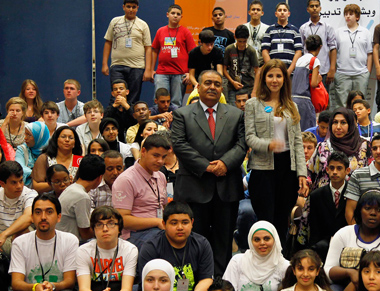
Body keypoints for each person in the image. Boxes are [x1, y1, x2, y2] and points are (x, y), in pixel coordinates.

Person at [172, 70, 246, 275]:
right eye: (207, 83)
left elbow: (241, 145)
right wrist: (206, 166)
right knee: (194, 239)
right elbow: (178, 144)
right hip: (194, 188)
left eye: (217, 84)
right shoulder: (182, 114)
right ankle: (196, 282)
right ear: (198, 86)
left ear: (222, 88)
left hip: (226, 188)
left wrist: (224, 163)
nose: (212, 87)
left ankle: (221, 283)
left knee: (224, 240)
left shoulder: (236, 114)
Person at [245, 59, 308, 244]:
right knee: (265, 220)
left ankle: (280, 261)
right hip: (262, 168)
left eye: (278, 76)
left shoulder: (292, 106)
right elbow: (249, 137)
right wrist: (268, 144)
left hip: (287, 169)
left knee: (282, 219)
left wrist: (301, 173)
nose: (274, 80)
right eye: (270, 75)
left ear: (284, 79)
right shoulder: (253, 104)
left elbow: (297, 142)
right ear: (264, 78)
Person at [138, 201, 214, 291]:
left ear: (192, 223)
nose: (180, 227)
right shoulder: (151, 247)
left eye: (185, 222)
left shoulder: (202, 243)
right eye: (174, 223)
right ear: (164, 224)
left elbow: (207, 279)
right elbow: (148, 284)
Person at [113, 134, 170, 247]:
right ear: (143, 151)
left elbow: (164, 208)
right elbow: (122, 220)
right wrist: (157, 222)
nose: (160, 161)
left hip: (159, 229)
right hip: (135, 234)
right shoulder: (126, 179)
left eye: (163, 157)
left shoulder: (161, 176)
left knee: (194, 240)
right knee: (164, 242)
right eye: (156, 155)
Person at [102, 0, 152, 104]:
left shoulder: (143, 25)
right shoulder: (115, 21)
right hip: (117, 65)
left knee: (133, 97)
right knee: (116, 96)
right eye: (128, 7)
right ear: (123, 7)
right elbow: (108, 42)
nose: (131, 9)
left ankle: (130, 120)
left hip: (137, 67)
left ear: (137, 8)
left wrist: (148, 70)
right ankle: (114, 120)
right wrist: (104, 64)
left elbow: (148, 48)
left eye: (134, 7)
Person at [151, 4, 196, 108]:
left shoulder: (185, 32)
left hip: (180, 73)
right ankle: (158, 123)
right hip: (162, 73)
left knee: (176, 104)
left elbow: (193, 54)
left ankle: (175, 124)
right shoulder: (160, 31)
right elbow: (155, 51)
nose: (175, 16)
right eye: (173, 13)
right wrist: (151, 69)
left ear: (181, 17)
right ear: (167, 15)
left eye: (178, 14)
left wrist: (190, 73)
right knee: (159, 102)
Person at [308, 152, 349, 257]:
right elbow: (314, 228)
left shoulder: (353, 193)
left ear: (347, 171)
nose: (335, 172)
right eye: (332, 168)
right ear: (327, 170)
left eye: (339, 168)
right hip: (324, 244)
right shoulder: (316, 195)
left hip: (348, 242)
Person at [333, 4, 373, 109]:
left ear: (357, 17)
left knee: (360, 105)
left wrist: (367, 72)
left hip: (361, 74)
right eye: (346, 14)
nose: (347, 16)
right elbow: (333, 52)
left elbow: (370, 53)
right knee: (342, 105)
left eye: (351, 14)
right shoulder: (338, 32)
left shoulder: (365, 32)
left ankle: (359, 125)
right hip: (342, 74)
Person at [57, 154, 105, 242]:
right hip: (69, 245)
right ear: (99, 178)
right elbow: (85, 234)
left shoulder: (72, 188)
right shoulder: (82, 196)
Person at [31, 126, 82, 193]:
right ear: (56, 140)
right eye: (63, 137)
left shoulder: (78, 160)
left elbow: (86, 185)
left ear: (75, 143)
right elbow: (36, 186)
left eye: (71, 138)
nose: (67, 140)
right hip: (49, 200)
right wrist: (59, 183)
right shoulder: (44, 158)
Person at [299, 0, 337, 89]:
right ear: (308, 9)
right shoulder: (303, 28)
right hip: (307, 70)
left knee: (322, 100)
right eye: (312, 6)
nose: (314, 8)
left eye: (316, 6)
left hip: (323, 70)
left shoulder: (327, 27)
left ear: (320, 8)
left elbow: (333, 48)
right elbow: (301, 49)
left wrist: (332, 69)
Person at [0, 161, 38, 251]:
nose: (19, 186)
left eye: (21, 181)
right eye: (13, 182)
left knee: (24, 232)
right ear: (2, 184)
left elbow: (28, 217)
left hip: (19, 237)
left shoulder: (30, 194)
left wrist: (4, 234)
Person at [261, 3, 303, 75]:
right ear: (276, 14)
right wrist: (271, 68)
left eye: (284, 10)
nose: (282, 12)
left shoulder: (295, 30)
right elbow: (265, 51)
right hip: (273, 72)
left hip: (290, 73)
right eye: (279, 10)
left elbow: (298, 52)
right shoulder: (269, 30)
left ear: (288, 14)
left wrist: (289, 70)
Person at [292, 34, 321, 131]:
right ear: (320, 47)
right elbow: (313, 83)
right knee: (307, 131)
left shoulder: (300, 59)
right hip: (305, 100)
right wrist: (319, 80)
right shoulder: (314, 60)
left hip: (293, 99)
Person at [224, 25, 259, 107]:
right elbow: (224, 69)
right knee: (233, 112)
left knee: (248, 112)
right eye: (240, 41)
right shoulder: (229, 49)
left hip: (248, 87)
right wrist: (232, 82)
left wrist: (254, 90)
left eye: (244, 41)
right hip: (233, 88)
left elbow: (257, 72)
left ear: (248, 38)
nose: (242, 44)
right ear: (235, 37)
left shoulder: (251, 51)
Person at [16, 121, 50, 187]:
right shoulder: (22, 149)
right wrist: (37, 174)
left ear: (39, 137)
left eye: (29, 135)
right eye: (25, 134)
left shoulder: (51, 151)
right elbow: (19, 167)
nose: (25, 138)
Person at [245, 0, 270, 67]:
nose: (255, 12)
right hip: (245, 64)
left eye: (258, 10)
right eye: (253, 9)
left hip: (262, 64)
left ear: (262, 13)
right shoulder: (243, 27)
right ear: (249, 12)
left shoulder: (268, 29)